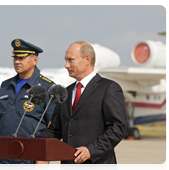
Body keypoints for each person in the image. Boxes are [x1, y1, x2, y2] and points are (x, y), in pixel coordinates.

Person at [36, 41, 127, 170]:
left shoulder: (109, 88)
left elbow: (117, 128)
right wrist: (34, 143)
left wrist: (91, 150)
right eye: (66, 60)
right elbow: (56, 130)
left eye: (70, 60)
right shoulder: (65, 92)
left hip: (98, 165)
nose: (66, 65)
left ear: (87, 59)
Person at [0, 39, 56, 170]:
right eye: (15, 58)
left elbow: (52, 125)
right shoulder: (5, 86)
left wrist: (45, 156)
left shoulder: (47, 87)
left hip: (33, 156)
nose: (17, 61)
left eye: (22, 58)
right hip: (6, 154)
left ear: (35, 60)